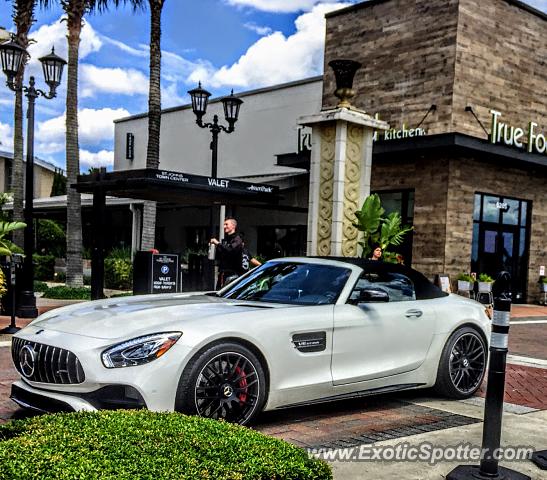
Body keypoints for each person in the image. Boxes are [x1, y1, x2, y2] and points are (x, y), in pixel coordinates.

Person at [210, 217, 244, 289]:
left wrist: (218, 244)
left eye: (226, 224)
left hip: (233, 274)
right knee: (218, 293)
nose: (224, 227)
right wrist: (213, 247)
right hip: (223, 273)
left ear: (233, 226)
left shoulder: (237, 239)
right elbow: (221, 255)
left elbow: (230, 250)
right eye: (224, 224)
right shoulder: (225, 240)